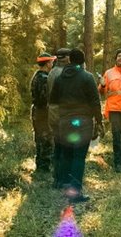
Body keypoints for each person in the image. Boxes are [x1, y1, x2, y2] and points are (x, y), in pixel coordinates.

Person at [48, 48, 103, 203]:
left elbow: (53, 102)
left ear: (70, 60)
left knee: (67, 155)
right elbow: (94, 102)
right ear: (83, 61)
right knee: (79, 157)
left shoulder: (59, 78)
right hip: (83, 123)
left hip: (64, 122)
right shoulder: (87, 77)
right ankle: (75, 193)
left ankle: (66, 188)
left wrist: (55, 122)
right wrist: (99, 121)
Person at [30, 52, 56, 173]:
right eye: (51, 62)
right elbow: (46, 98)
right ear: (47, 64)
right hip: (44, 112)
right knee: (47, 140)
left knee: (39, 138)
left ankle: (40, 165)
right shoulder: (45, 79)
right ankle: (44, 168)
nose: (53, 63)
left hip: (36, 111)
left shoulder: (36, 76)